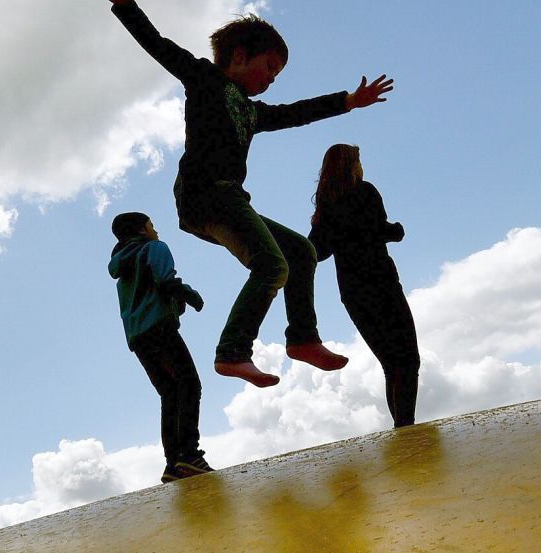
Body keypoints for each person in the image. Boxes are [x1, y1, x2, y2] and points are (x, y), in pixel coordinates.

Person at [108, 0, 394, 386]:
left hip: (229, 202)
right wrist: (124, 6)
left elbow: (295, 113)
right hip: (204, 194)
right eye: (270, 68)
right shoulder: (203, 79)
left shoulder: (251, 111)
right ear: (240, 56)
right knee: (272, 265)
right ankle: (233, 352)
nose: (272, 79)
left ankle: (303, 339)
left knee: (301, 252)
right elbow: (156, 43)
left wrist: (346, 102)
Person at [308, 144, 419, 427]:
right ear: (352, 165)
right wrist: (396, 230)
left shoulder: (326, 206)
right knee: (407, 359)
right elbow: (378, 230)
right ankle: (405, 429)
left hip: (352, 292)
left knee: (389, 362)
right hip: (381, 281)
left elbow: (317, 252)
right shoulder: (365, 191)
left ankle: (403, 429)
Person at [108, 212, 212, 483]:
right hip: (160, 329)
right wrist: (190, 296)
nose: (156, 230)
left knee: (169, 392)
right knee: (189, 384)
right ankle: (190, 455)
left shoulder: (122, 267)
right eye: (152, 225)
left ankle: (173, 463)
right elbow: (165, 279)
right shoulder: (154, 248)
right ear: (142, 230)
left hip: (138, 337)